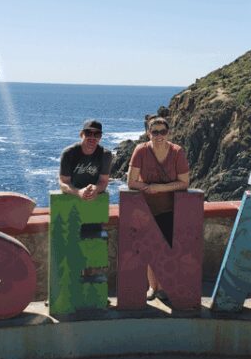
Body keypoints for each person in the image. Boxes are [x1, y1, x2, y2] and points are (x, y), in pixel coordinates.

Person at [127, 117, 189, 301]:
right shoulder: (141, 150)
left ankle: (165, 288)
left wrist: (159, 188)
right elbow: (131, 182)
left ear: (168, 133)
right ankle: (153, 288)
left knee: (168, 250)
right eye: (155, 132)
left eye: (163, 132)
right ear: (149, 133)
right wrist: (147, 188)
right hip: (146, 209)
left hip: (171, 209)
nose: (159, 136)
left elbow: (185, 182)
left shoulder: (177, 152)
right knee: (151, 251)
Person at [59, 120, 113, 200]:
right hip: (71, 197)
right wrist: (78, 192)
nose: (92, 137)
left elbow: (103, 181)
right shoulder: (68, 153)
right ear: (81, 134)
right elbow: (63, 183)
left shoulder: (105, 155)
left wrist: (96, 188)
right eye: (88, 133)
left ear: (100, 137)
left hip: (94, 198)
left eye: (97, 134)